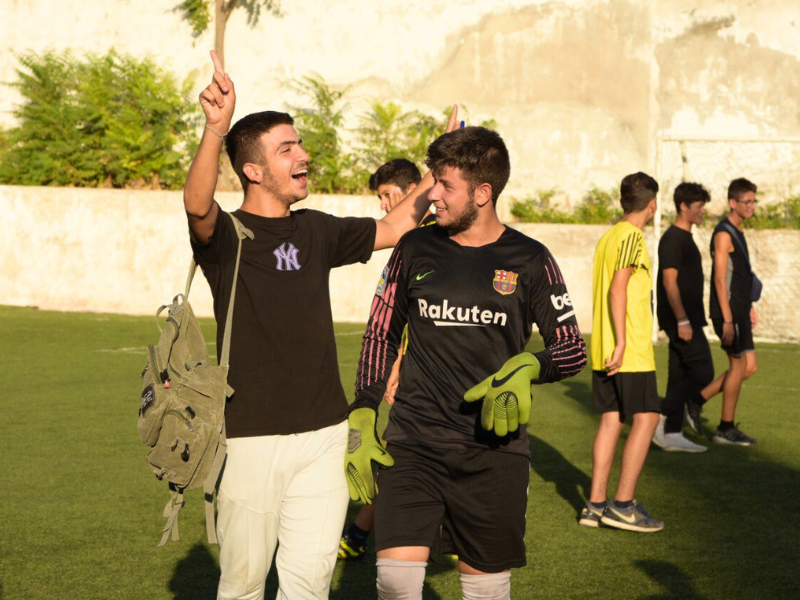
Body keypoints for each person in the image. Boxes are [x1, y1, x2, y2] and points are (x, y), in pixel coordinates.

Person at [184, 50, 457, 600]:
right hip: (249, 438)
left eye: (300, 144)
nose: (304, 155)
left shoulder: (317, 229)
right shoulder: (227, 236)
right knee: (242, 584)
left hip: (326, 437)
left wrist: (441, 167)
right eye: (288, 149)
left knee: (309, 585)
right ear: (254, 170)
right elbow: (196, 205)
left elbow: (395, 225)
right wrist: (215, 130)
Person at [344, 126, 587, 599]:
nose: (432, 194)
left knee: (486, 592)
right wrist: (364, 409)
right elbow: (380, 331)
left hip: (493, 452)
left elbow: (571, 347)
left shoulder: (531, 258)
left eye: (445, 185)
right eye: (433, 180)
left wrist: (529, 367)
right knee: (394, 584)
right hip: (413, 443)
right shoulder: (414, 248)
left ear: (483, 192)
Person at [338, 158, 428, 561]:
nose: (383, 206)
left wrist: (403, 360)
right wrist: (395, 361)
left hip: (430, 376)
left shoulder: (433, 237)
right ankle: (361, 532)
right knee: (398, 454)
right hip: (409, 375)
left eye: (388, 196)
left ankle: (362, 532)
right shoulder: (410, 243)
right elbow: (398, 315)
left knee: (403, 457)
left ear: (413, 192)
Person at [581, 172, 664, 532]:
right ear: (652, 204)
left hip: (604, 347)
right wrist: (622, 341)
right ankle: (623, 505)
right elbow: (618, 288)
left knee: (611, 419)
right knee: (647, 418)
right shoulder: (632, 236)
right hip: (626, 349)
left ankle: (595, 505)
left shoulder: (609, 236)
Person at [688, 178, 760, 446]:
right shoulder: (723, 233)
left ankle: (695, 400)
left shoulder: (737, 232)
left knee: (749, 367)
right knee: (738, 365)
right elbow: (719, 279)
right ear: (733, 203)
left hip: (740, 311)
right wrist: (728, 318)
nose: (752, 206)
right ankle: (725, 428)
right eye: (747, 201)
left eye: (754, 201)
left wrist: (749, 306)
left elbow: (738, 276)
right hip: (727, 312)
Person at [651, 182, 712, 452]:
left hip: (689, 318)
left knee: (679, 374)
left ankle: (672, 433)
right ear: (683, 206)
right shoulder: (673, 239)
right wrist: (682, 320)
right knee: (703, 372)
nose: (702, 212)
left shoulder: (686, 237)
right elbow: (668, 281)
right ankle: (659, 416)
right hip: (681, 320)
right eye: (698, 207)